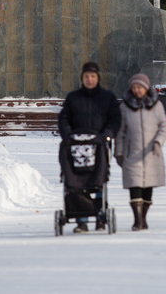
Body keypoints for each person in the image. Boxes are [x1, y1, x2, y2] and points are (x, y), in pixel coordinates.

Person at [58, 61, 121, 233]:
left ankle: (100, 217)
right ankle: (82, 221)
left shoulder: (108, 98)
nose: (90, 79)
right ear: (82, 78)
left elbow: (115, 120)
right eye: (86, 76)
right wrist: (68, 136)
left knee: (99, 180)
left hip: (99, 147)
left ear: (98, 78)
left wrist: (106, 135)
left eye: (93, 76)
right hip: (76, 148)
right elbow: (64, 119)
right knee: (76, 182)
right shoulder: (73, 98)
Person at [114, 73, 166, 231]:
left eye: (140, 87)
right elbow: (120, 132)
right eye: (134, 87)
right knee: (135, 186)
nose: (137, 90)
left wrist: (158, 141)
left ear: (146, 88)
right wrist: (119, 152)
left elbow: (164, 125)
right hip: (132, 154)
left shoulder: (156, 105)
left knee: (147, 189)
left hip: (152, 153)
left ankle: (143, 217)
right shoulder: (124, 107)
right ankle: (137, 220)